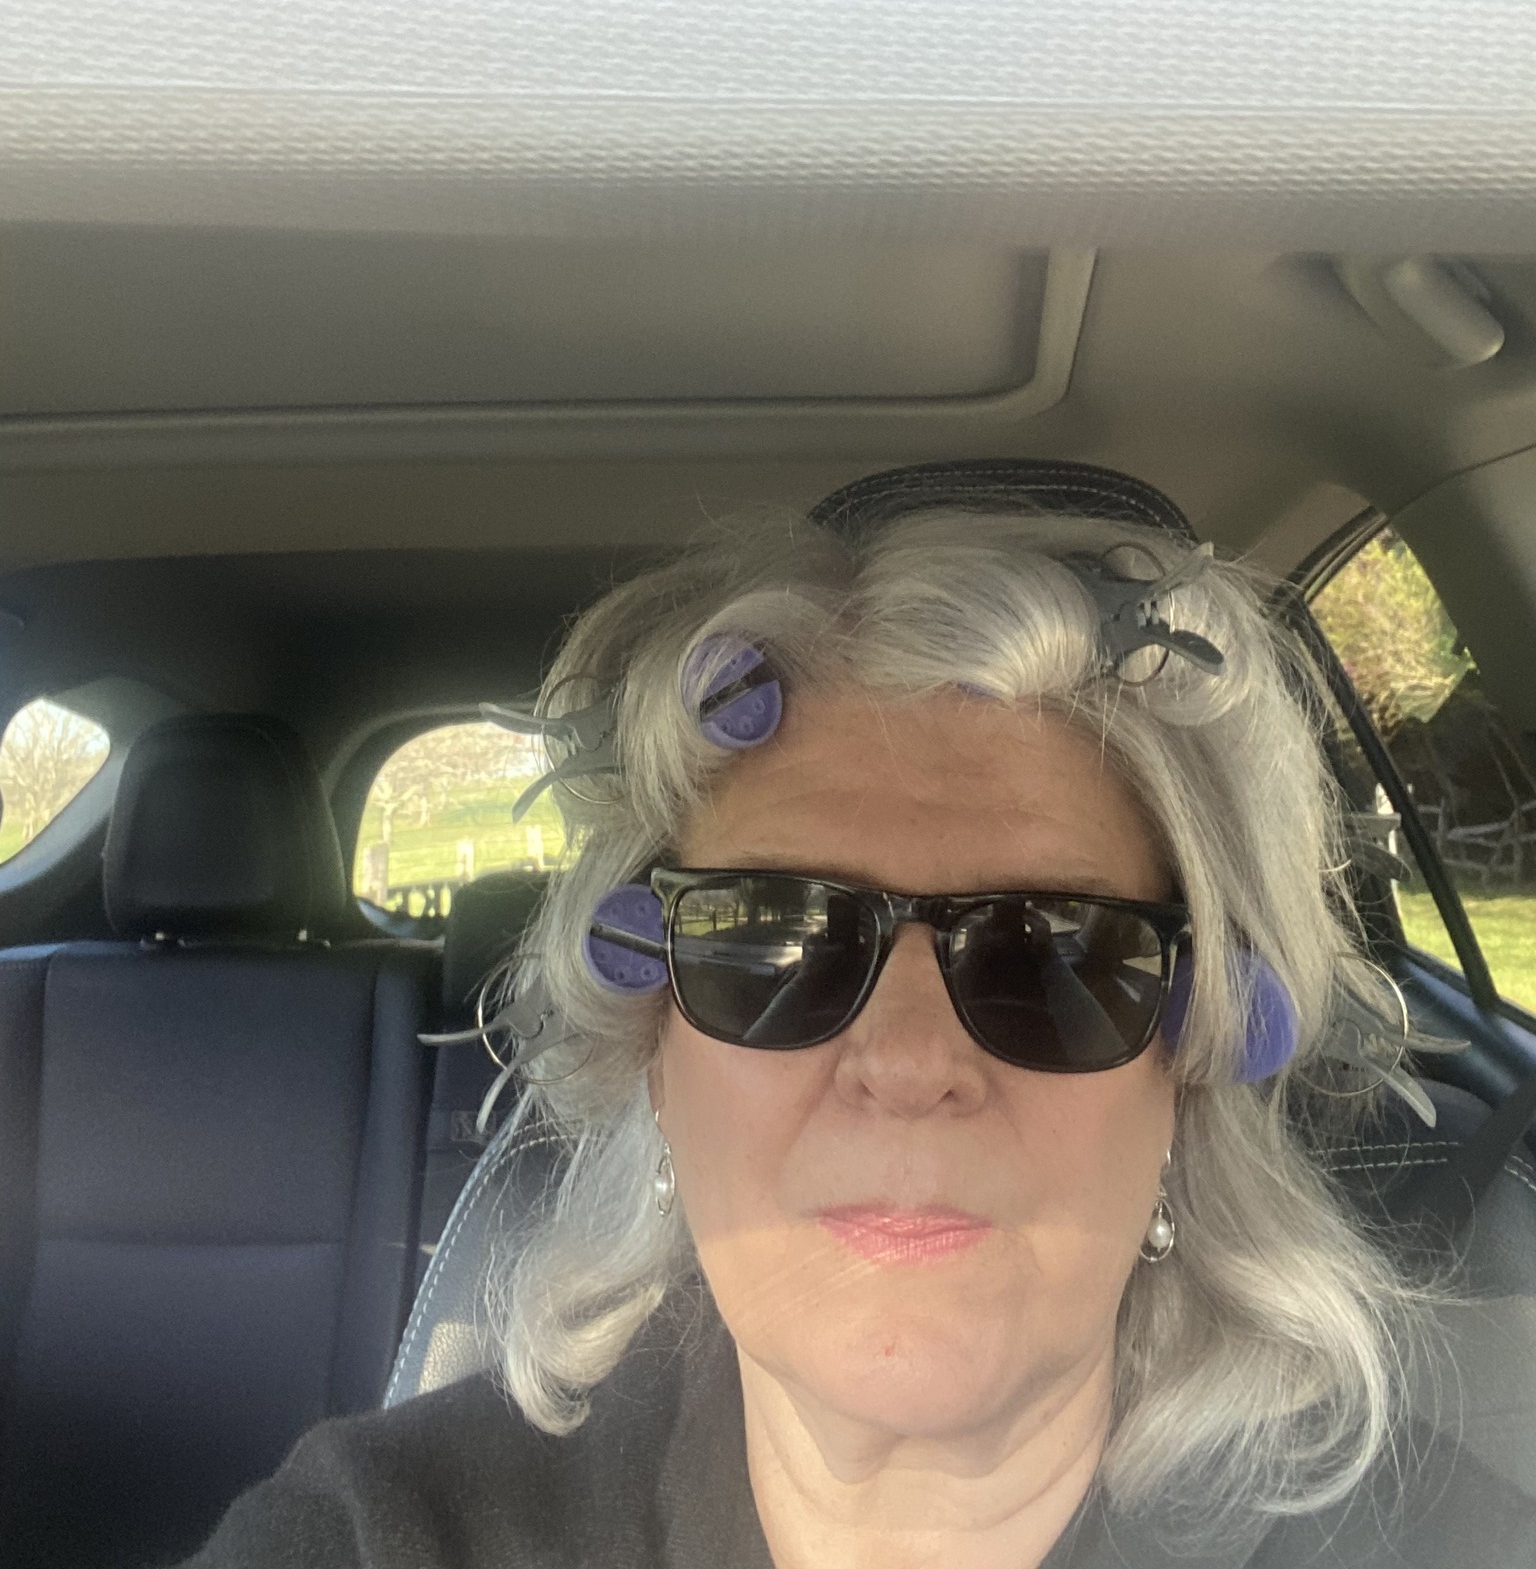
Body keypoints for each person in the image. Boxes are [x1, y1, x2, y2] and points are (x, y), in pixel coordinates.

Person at [181, 463, 1536, 1568]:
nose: (907, 1064)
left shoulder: (1450, 1540)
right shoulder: (387, 1533)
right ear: (656, 1060)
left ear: (1190, 1067)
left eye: (1051, 955)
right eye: (772, 939)